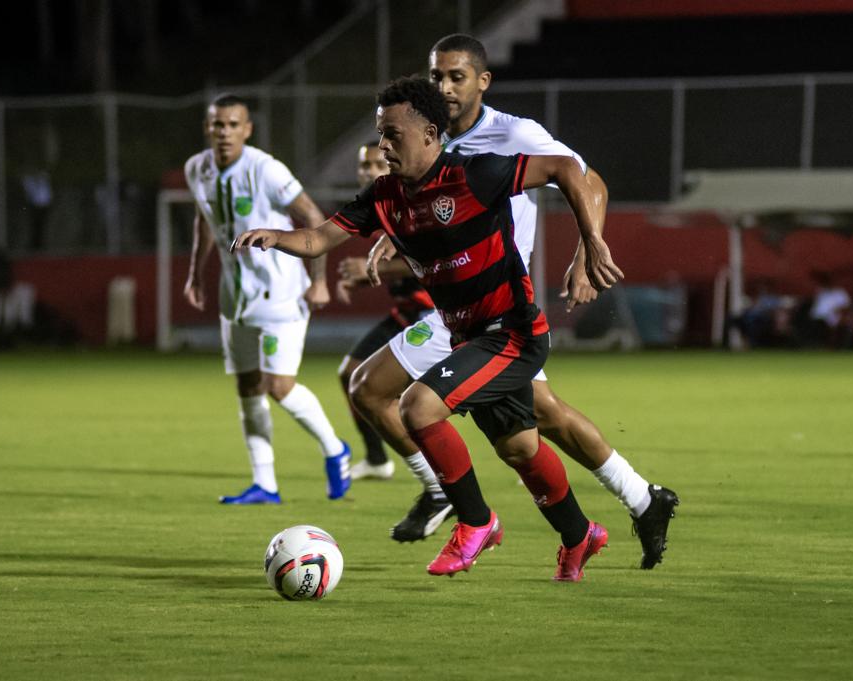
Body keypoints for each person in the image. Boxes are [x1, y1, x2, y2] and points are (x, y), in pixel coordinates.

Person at [233, 76, 622, 581]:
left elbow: (567, 168)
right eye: (380, 134)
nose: (383, 146)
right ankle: (581, 535)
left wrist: (590, 241)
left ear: (431, 134)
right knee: (519, 448)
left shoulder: (476, 174)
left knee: (418, 405)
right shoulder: (385, 196)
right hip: (469, 338)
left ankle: (476, 522)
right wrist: (277, 237)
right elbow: (318, 238)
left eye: (393, 134)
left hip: (513, 331)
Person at [346, 34, 679, 570]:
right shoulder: (426, 138)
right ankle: (641, 499)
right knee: (537, 423)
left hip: (494, 307)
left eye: (457, 77)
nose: (445, 87)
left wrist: (584, 250)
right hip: (461, 307)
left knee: (373, 388)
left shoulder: (513, 133)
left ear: (482, 81)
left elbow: (588, 180)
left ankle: (445, 496)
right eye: (437, 76)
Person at [183, 93, 352, 504]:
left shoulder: (265, 169)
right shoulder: (197, 169)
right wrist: (195, 274)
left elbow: (314, 218)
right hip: (234, 296)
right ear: (208, 128)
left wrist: (319, 280)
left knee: (279, 386)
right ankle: (265, 484)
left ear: (247, 129)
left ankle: (335, 449)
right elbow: (205, 221)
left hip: (280, 293)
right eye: (217, 124)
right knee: (247, 385)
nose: (224, 132)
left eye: (232, 124)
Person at [335, 142, 435, 481]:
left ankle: (524, 450)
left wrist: (367, 270)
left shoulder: (413, 198)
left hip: (436, 314)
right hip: (407, 312)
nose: (368, 170)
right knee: (351, 372)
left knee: (440, 398)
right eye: (364, 165)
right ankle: (378, 460)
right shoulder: (382, 204)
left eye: (377, 163)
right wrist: (363, 279)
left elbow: (427, 258)